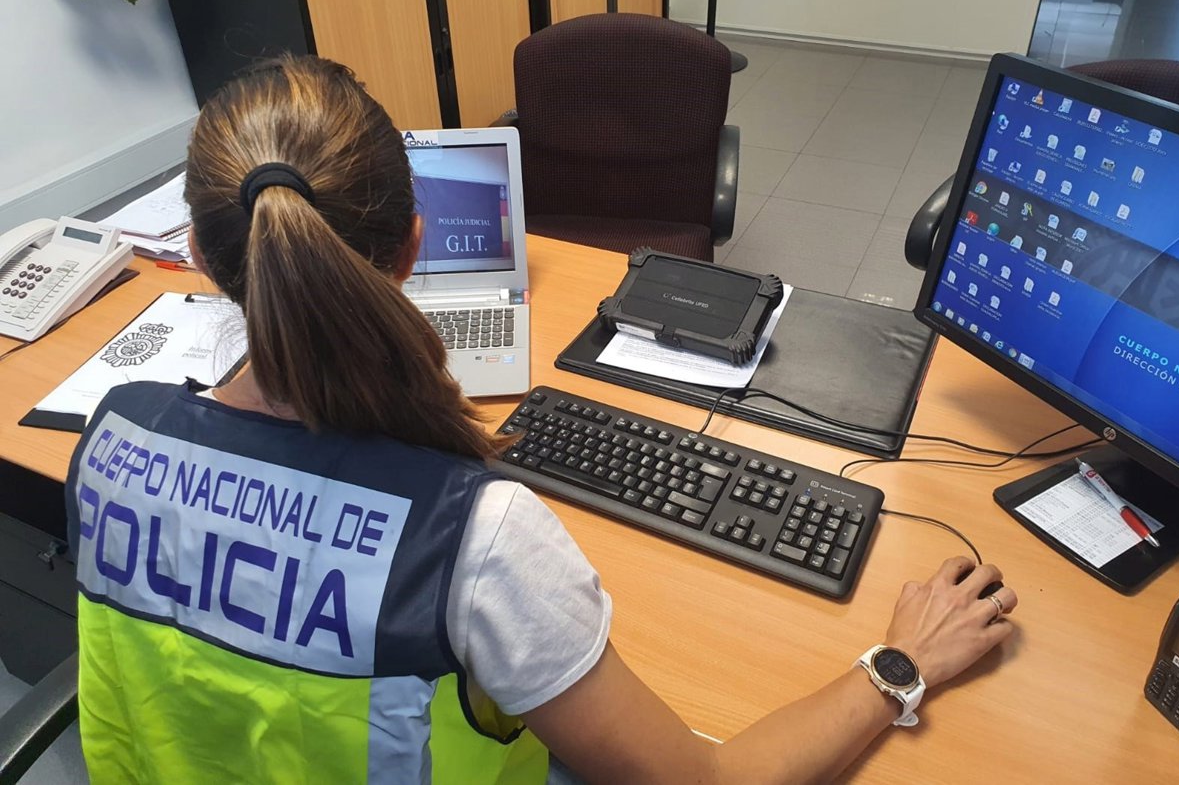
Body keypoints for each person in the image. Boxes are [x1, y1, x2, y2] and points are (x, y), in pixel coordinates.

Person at [66, 55, 1018, 784]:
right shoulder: (474, 539)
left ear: (198, 255)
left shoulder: (113, 440)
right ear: (413, 246)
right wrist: (900, 664)